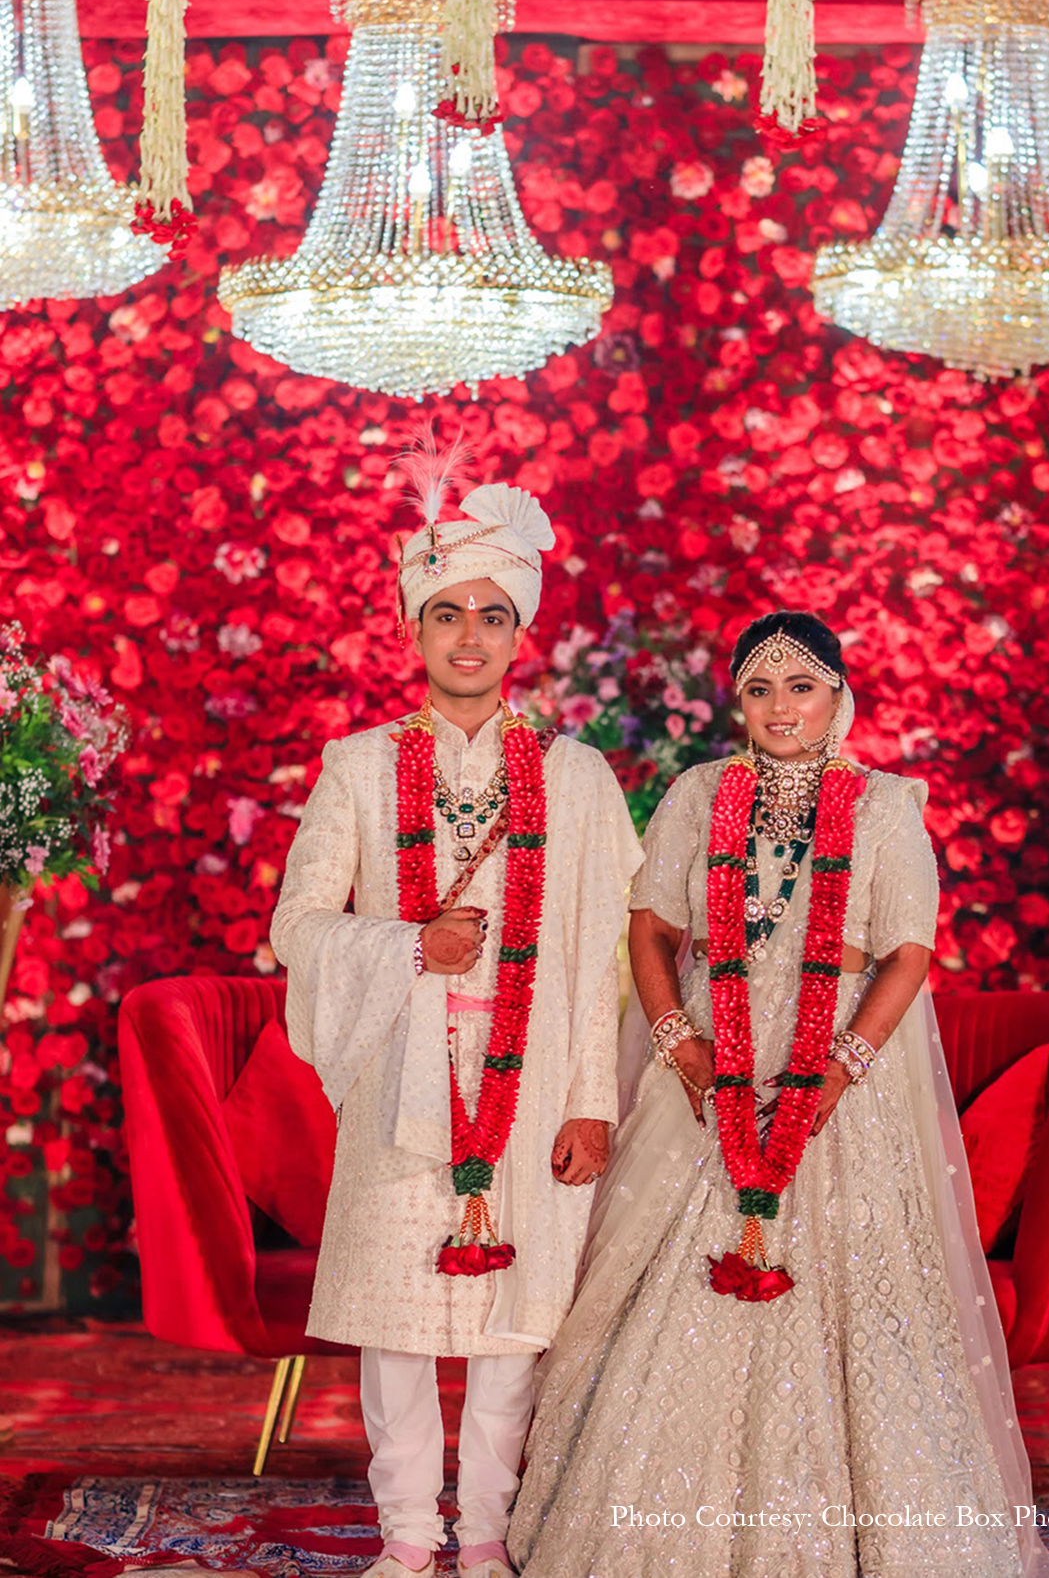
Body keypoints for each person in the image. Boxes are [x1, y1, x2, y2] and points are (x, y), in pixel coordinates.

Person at [507, 611, 1049, 1578]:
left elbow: (907, 952)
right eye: (759, 690)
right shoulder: (697, 794)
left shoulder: (885, 804)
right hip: (710, 1063)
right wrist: (680, 1045)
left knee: (849, 1291)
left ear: (840, 696)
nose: (780, 708)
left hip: (842, 1073)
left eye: (800, 686)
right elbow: (650, 931)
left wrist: (839, 1068)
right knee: (670, 1280)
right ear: (737, 704)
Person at [270, 475, 642, 1578]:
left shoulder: (576, 781)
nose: (468, 636)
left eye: (491, 615)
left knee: (510, 1329)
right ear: (411, 627)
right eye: (446, 612)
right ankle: (404, 1539)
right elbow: (296, 923)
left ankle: (481, 1537)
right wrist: (403, 946)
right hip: (400, 1082)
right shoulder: (361, 766)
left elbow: (602, 960)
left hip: (530, 1094)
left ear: (520, 633)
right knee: (393, 1328)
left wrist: (590, 1102)